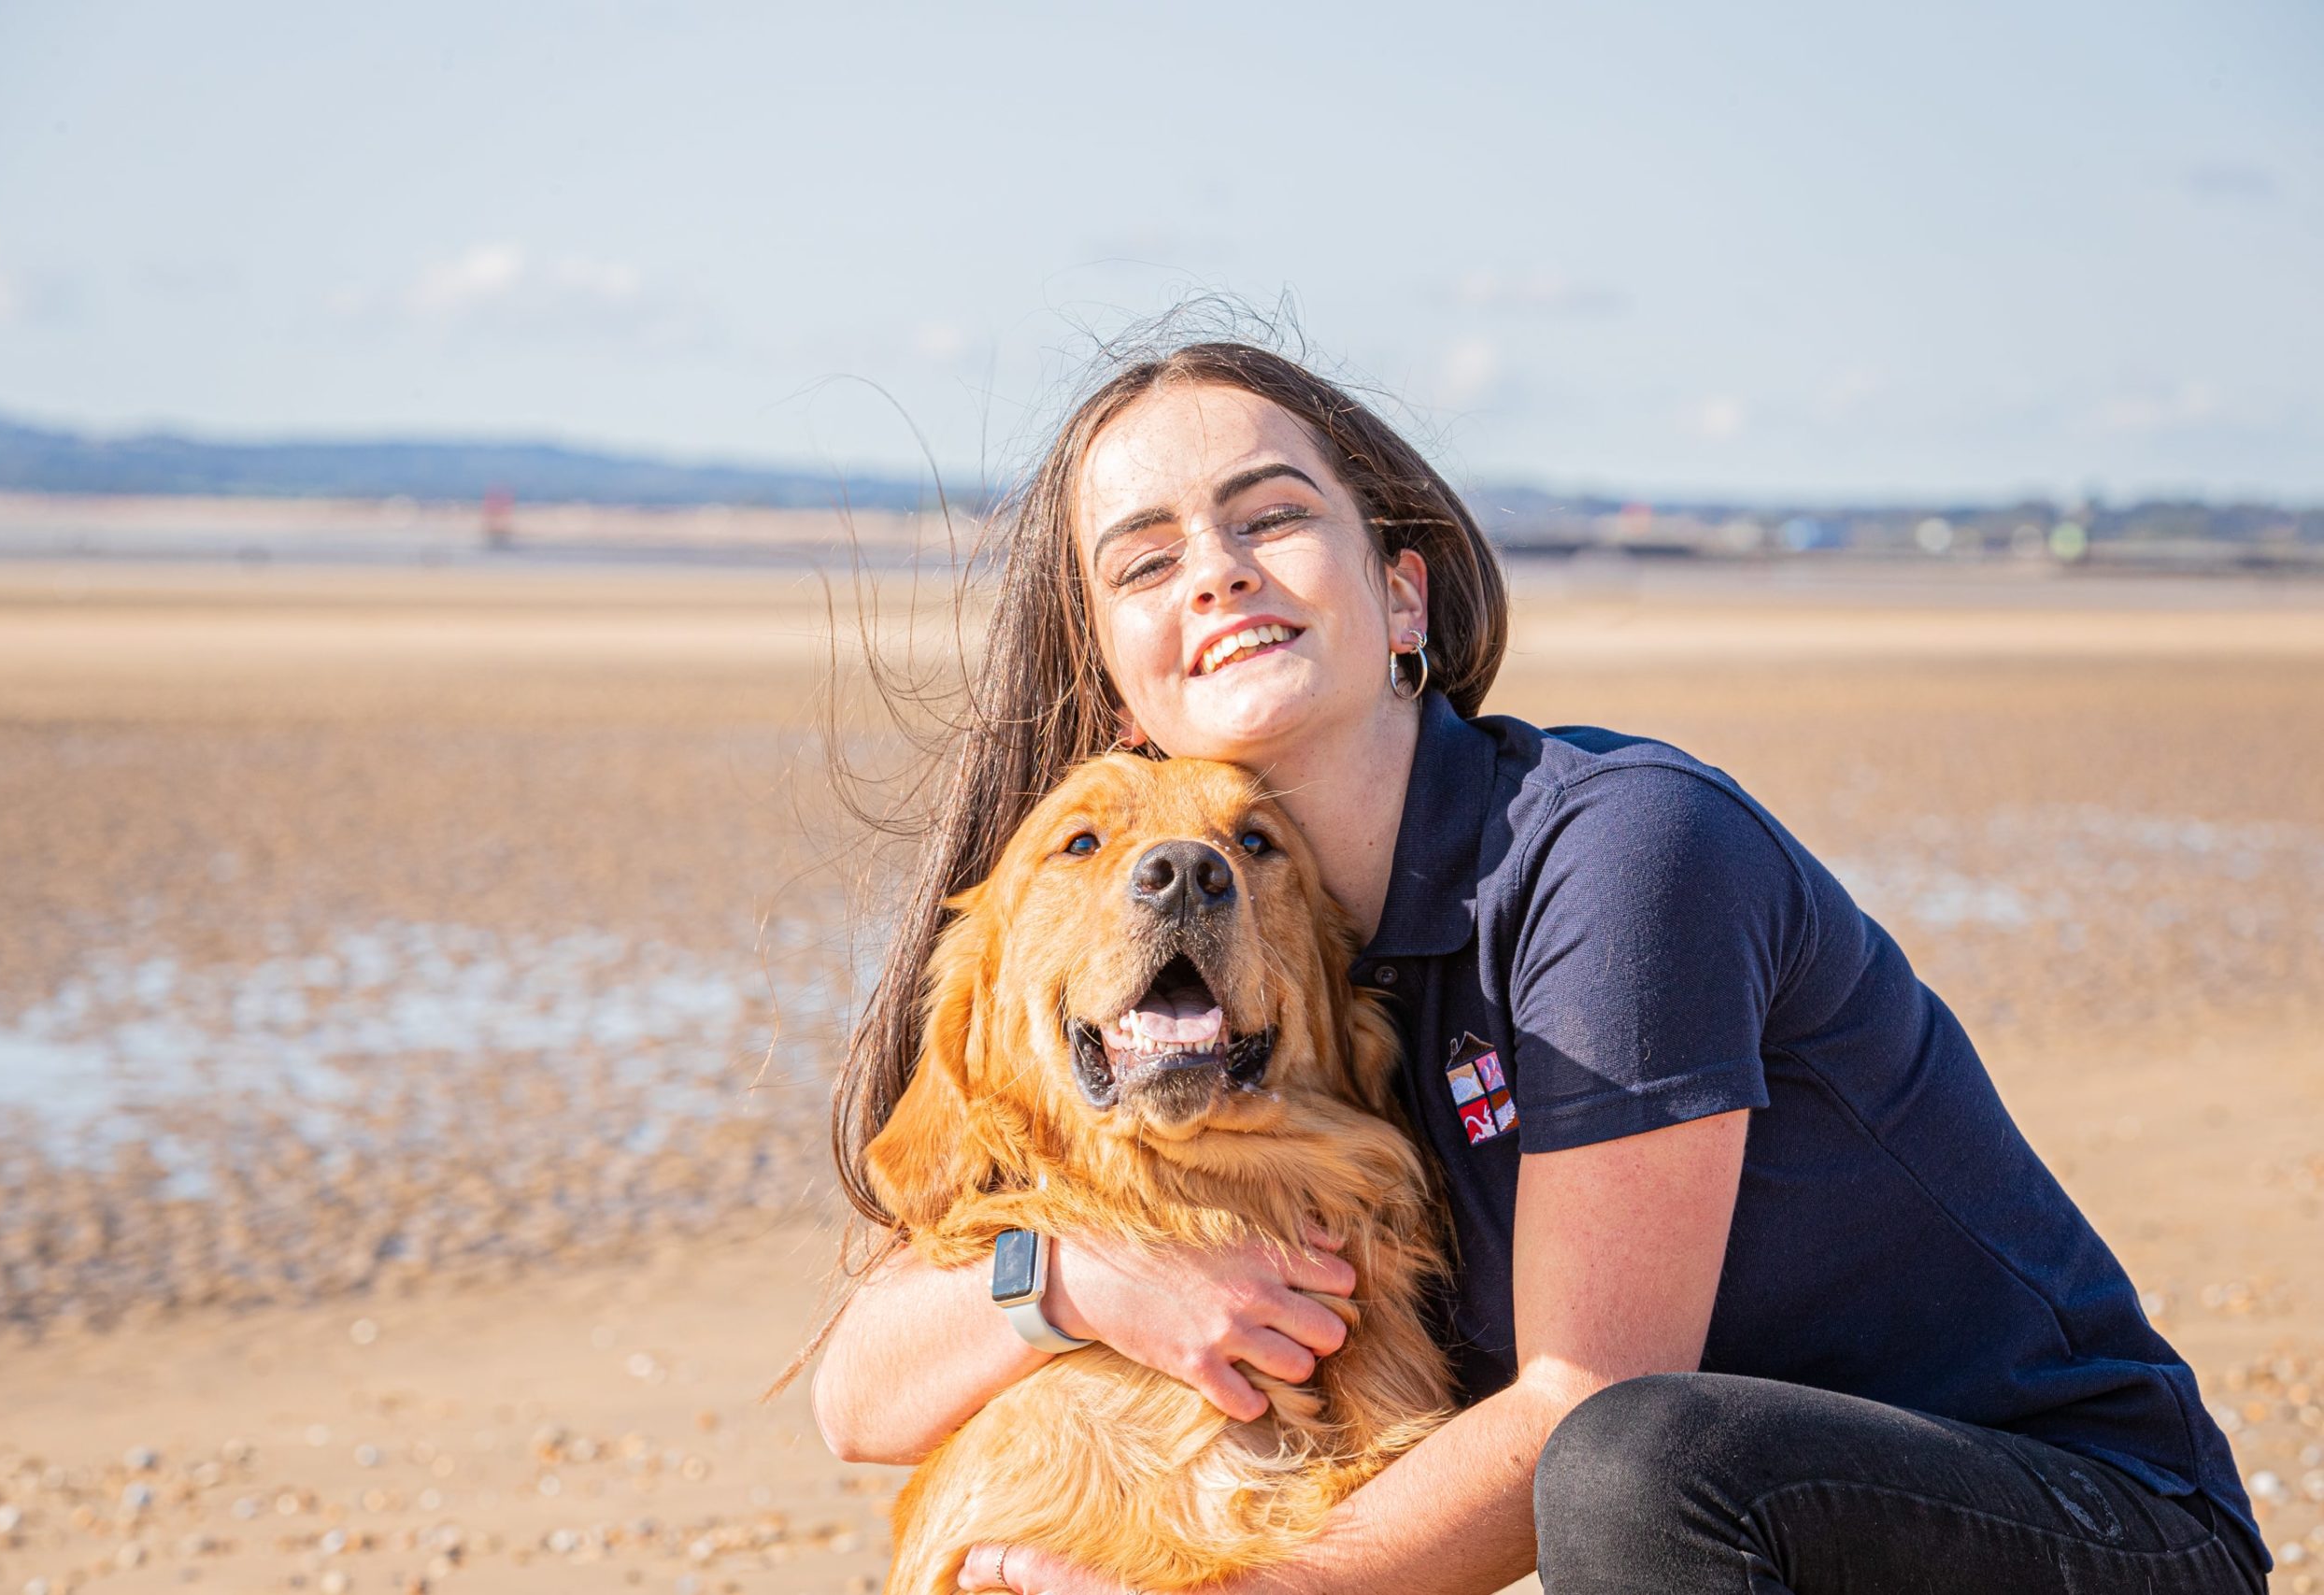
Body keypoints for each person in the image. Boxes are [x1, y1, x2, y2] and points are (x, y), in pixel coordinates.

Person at [808, 340, 2268, 1594]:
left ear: (1404, 602)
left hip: (2089, 1532)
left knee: (1626, 1460)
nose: (1220, 573)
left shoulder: (1620, 856)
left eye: (1272, 516)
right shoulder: (1302, 992)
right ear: (1116, 685)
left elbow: (1590, 1399)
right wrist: (1074, 1278)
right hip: (1738, 1551)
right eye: (1148, 558)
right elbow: (853, 1391)